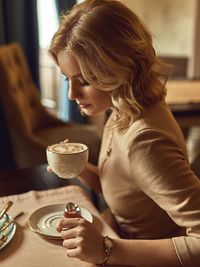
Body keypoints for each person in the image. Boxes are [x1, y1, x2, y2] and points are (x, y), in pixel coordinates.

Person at [48, 0, 200, 266]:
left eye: (84, 81)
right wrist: (80, 169)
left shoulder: (145, 140)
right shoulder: (123, 108)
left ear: (119, 67)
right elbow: (127, 190)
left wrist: (107, 249)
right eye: (67, 79)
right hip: (117, 235)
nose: (72, 94)